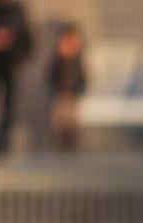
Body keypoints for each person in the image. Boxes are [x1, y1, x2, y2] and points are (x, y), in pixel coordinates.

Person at [0, 0, 30, 154]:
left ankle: (3, 142)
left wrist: (12, 44)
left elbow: (26, 41)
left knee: (9, 106)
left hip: (9, 67)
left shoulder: (17, 13)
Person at [47, 24, 87, 152]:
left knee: (72, 122)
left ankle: (72, 146)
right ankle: (60, 146)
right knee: (59, 123)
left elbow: (82, 76)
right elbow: (50, 76)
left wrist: (79, 89)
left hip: (72, 95)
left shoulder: (77, 59)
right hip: (60, 95)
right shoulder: (57, 59)